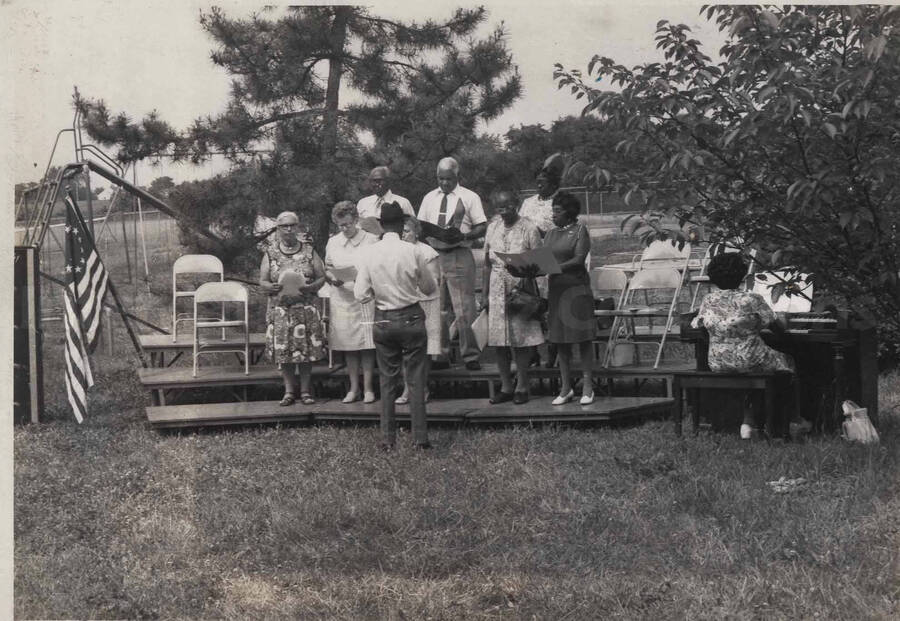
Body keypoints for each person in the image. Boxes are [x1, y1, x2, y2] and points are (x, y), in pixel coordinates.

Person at [355, 202, 438, 450]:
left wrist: (376, 293)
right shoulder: (413, 251)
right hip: (411, 317)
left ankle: (387, 439)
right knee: (415, 379)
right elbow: (429, 288)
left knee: (387, 381)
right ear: (402, 225)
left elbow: (360, 293)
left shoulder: (369, 253)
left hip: (383, 318)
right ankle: (420, 438)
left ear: (381, 225)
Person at [691, 252, 796, 439]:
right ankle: (790, 422)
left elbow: (701, 328)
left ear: (712, 277)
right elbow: (778, 330)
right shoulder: (752, 299)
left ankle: (748, 421)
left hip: (717, 362)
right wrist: (783, 321)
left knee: (755, 368)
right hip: (749, 359)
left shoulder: (708, 300)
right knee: (788, 361)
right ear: (742, 275)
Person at [516, 191, 596, 405]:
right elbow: (542, 259)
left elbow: (579, 259)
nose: (554, 215)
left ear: (569, 213)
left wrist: (554, 268)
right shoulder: (550, 234)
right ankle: (566, 387)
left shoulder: (580, 231)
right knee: (560, 340)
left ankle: (588, 386)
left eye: (558, 211)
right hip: (556, 291)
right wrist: (528, 268)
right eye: (553, 211)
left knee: (583, 339)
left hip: (577, 291)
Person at [417, 157, 487, 370]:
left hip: (459, 252)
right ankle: (441, 355)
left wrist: (465, 236)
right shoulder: (429, 197)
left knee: (464, 307)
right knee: (438, 307)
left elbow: (481, 226)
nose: (444, 183)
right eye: (441, 178)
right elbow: (420, 225)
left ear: (457, 176)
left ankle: (471, 355)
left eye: (449, 179)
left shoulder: (469, 197)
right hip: (434, 254)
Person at [479, 191, 544, 404]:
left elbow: (541, 264)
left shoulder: (529, 228)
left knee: (521, 339)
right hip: (497, 287)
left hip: (520, 287)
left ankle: (522, 385)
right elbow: (487, 264)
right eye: (499, 207)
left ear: (516, 204)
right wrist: (485, 294)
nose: (503, 211)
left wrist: (524, 270)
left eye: (507, 206)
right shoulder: (493, 227)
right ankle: (505, 385)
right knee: (499, 341)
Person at [259, 211, 327, 406]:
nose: (288, 229)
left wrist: (311, 287)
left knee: (305, 351)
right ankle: (289, 392)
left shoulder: (309, 251)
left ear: (298, 227)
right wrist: (269, 287)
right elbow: (262, 280)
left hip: (305, 308)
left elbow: (321, 277)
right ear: (278, 229)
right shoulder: (270, 253)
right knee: (285, 352)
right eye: (284, 226)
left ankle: (305, 391)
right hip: (281, 310)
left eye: (292, 225)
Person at [324, 201, 379, 403]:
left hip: (364, 297)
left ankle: (368, 388)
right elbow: (327, 267)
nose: (344, 229)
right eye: (340, 225)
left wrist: (363, 278)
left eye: (347, 224)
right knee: (349, 344)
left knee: (366, 343)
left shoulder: (371, 240)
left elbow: (377, 267)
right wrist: (332, 278)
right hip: (342, 298)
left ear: (356, 220)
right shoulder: (333, 242)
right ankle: (353, 388)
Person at [395, 216, 441, 405]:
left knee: (423, 349)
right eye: (401, 231)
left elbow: (432, 282)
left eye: (406, 231)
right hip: (404, 303)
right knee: (406, 350)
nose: (403, 234)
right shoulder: (397, 251)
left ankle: (421, 388)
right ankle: (407, 388)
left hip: (426, 304)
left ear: (416, 232)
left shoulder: (427, 251)